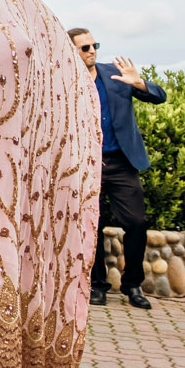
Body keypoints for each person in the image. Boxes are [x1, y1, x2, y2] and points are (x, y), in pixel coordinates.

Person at [69, 29, 165, 309]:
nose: (92, 51)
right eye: (85, 47)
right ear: (72, 50)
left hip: (121, 162)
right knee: (92, 225)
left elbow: (159, 96)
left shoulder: (115, 74)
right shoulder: (65, 80)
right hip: (85, 164)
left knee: (136, 223)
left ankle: (133, 285)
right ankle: (97, 285)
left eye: (94, 45)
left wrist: (141, 84)